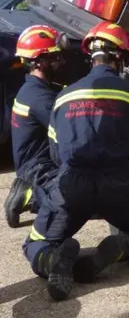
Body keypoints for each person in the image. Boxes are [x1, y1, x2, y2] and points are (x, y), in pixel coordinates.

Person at [23, 21, 129, 301]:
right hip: (117, 186)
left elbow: (55, 153)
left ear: (91, 57)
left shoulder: (64, 96)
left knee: (36, 243)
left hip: (72, 186)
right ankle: (123, 245)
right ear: (120, 57)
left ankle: (52, 260)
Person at [3, 25, 68, 228]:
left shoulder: (34, 88)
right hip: (39, 168)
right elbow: (70, 132)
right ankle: (30, 194)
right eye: (55, 57)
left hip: (34, 163)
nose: (62, 62)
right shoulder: (40, 99)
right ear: (39, 62)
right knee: (80, 195)